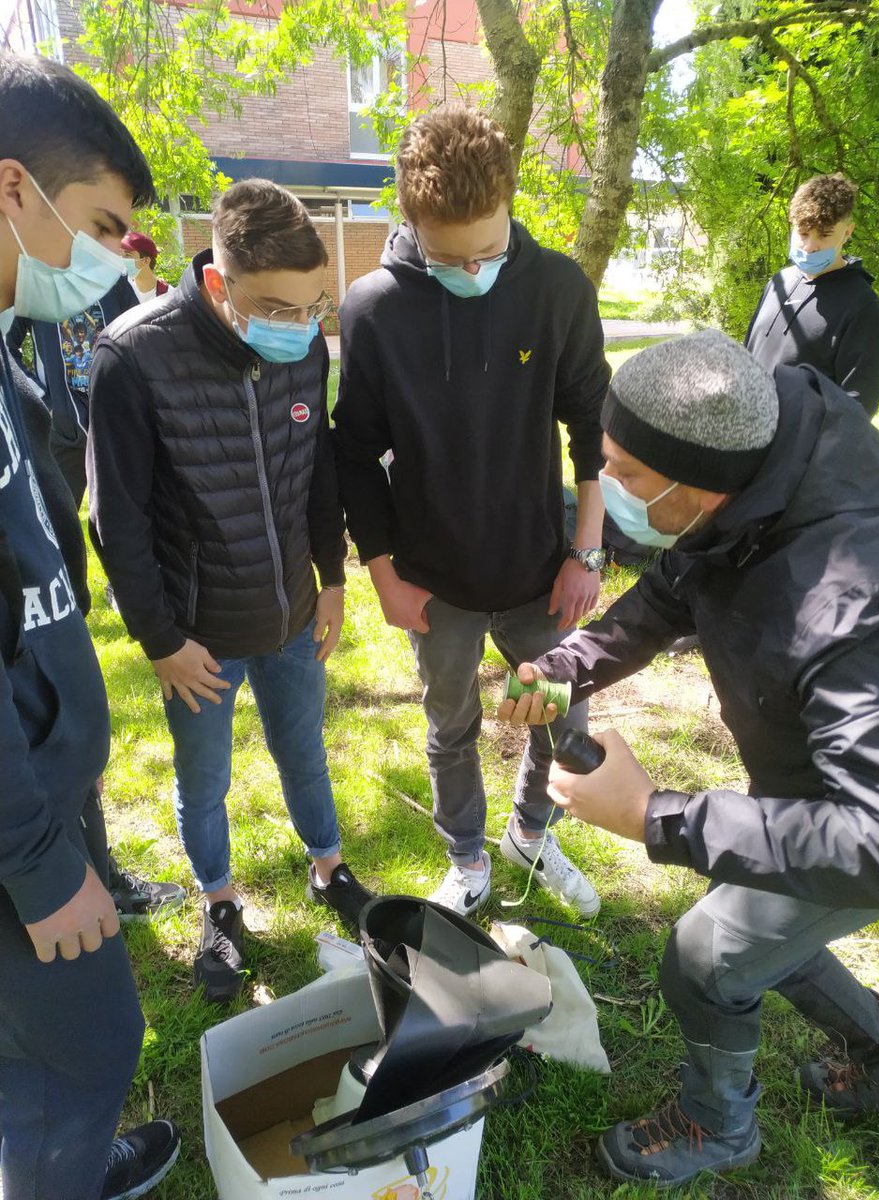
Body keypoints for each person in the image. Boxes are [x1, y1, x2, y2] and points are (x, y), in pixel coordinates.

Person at [498, 329, 879, 1188]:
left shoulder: (848, 598)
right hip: (822, 770)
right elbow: (671, 593)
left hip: (875, 815)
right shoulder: (754, 463)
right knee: (756, 925)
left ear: (699, 487)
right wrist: (565, 668)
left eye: (626, 473)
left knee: (706, 957)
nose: (604, 484)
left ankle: (719, 1126)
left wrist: (658, 816)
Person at [88, 179, 373, 1004]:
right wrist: (162, 642)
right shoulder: (131, 358)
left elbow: (318, 471)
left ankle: (329, 867)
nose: (300, 325)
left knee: (304, 749)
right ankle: (218, 901)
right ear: (218, 282)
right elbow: (117, 521)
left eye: (313, 306)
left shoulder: (306, 348)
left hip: (291, 613)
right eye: (277, 308)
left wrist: (331, 578)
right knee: (204, 777)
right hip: (197, 639)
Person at [333, 106, 611, 918]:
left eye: (489, 250)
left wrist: (586, 551)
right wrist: (383, 576)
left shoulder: (557, 288)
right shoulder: (374, 308)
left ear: (509, 204)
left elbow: (590, 422)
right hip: (433, 581)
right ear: (411, 222)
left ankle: (531, 833)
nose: (473, 269)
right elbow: (354, 454)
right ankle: (466, 857)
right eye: (450, 256)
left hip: (540, 568)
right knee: (449, 725)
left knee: (561, 713)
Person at [0, 51, 180, 1200]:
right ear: (14, 188)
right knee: (94, 1043)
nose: (113, 259)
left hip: (41, 796)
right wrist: (37, 860)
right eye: (103, 225)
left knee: (44, 1055)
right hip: (18, 837)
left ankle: (50, 1152)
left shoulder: (9, 367)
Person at [745, 172, 879, 417]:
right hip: (746, 433)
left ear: (847, 232)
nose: (810, 246)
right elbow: (747, 356)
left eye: (824, 235)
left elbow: (857, 409)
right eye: (803, 233)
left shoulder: (862, 306)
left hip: (798, 441)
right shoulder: (779, 282)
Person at [5, 274, 136, 506]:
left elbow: (141, 334)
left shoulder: (110, 277)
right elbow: (6, 347)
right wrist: (40, 397)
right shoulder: (36, 285)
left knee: (120, 516)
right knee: (57, 516)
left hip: (115, 422)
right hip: (62, 429)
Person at [121, 229, 170, 302]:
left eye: (127, 255)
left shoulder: (168, 296)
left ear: (146, 261)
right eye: (120, 254)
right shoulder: (122, 291)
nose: (121, 259)